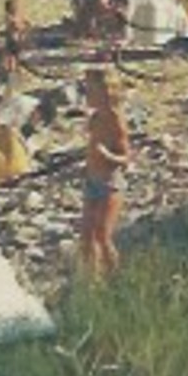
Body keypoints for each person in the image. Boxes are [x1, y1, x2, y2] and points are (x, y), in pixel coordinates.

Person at [79, 67, 130, 279]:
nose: (87, 95)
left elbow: (126, 157)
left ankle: (116, 277)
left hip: (110, 183)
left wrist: (107, 154)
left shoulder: (115, 119)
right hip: (92, 179)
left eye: (92, 91)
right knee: (87, 236)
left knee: (103, 234)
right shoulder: (95, 118)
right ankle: (93, 280)